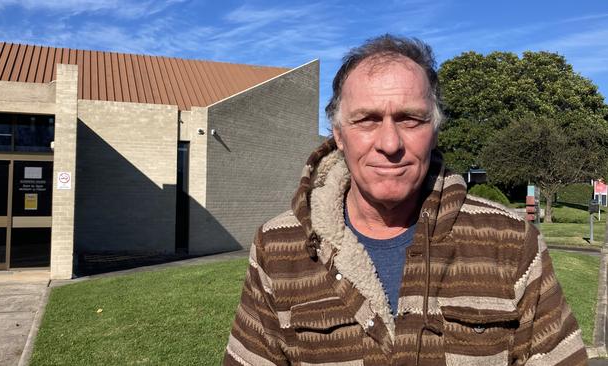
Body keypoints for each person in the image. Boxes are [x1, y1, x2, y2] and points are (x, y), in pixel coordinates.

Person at [223, 34, 588, 366]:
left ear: (435, 130)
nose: (390, 143)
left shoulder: (510, 242)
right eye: (366, 119)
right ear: (338, 134)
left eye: (410, 119)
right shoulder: (278, 247)